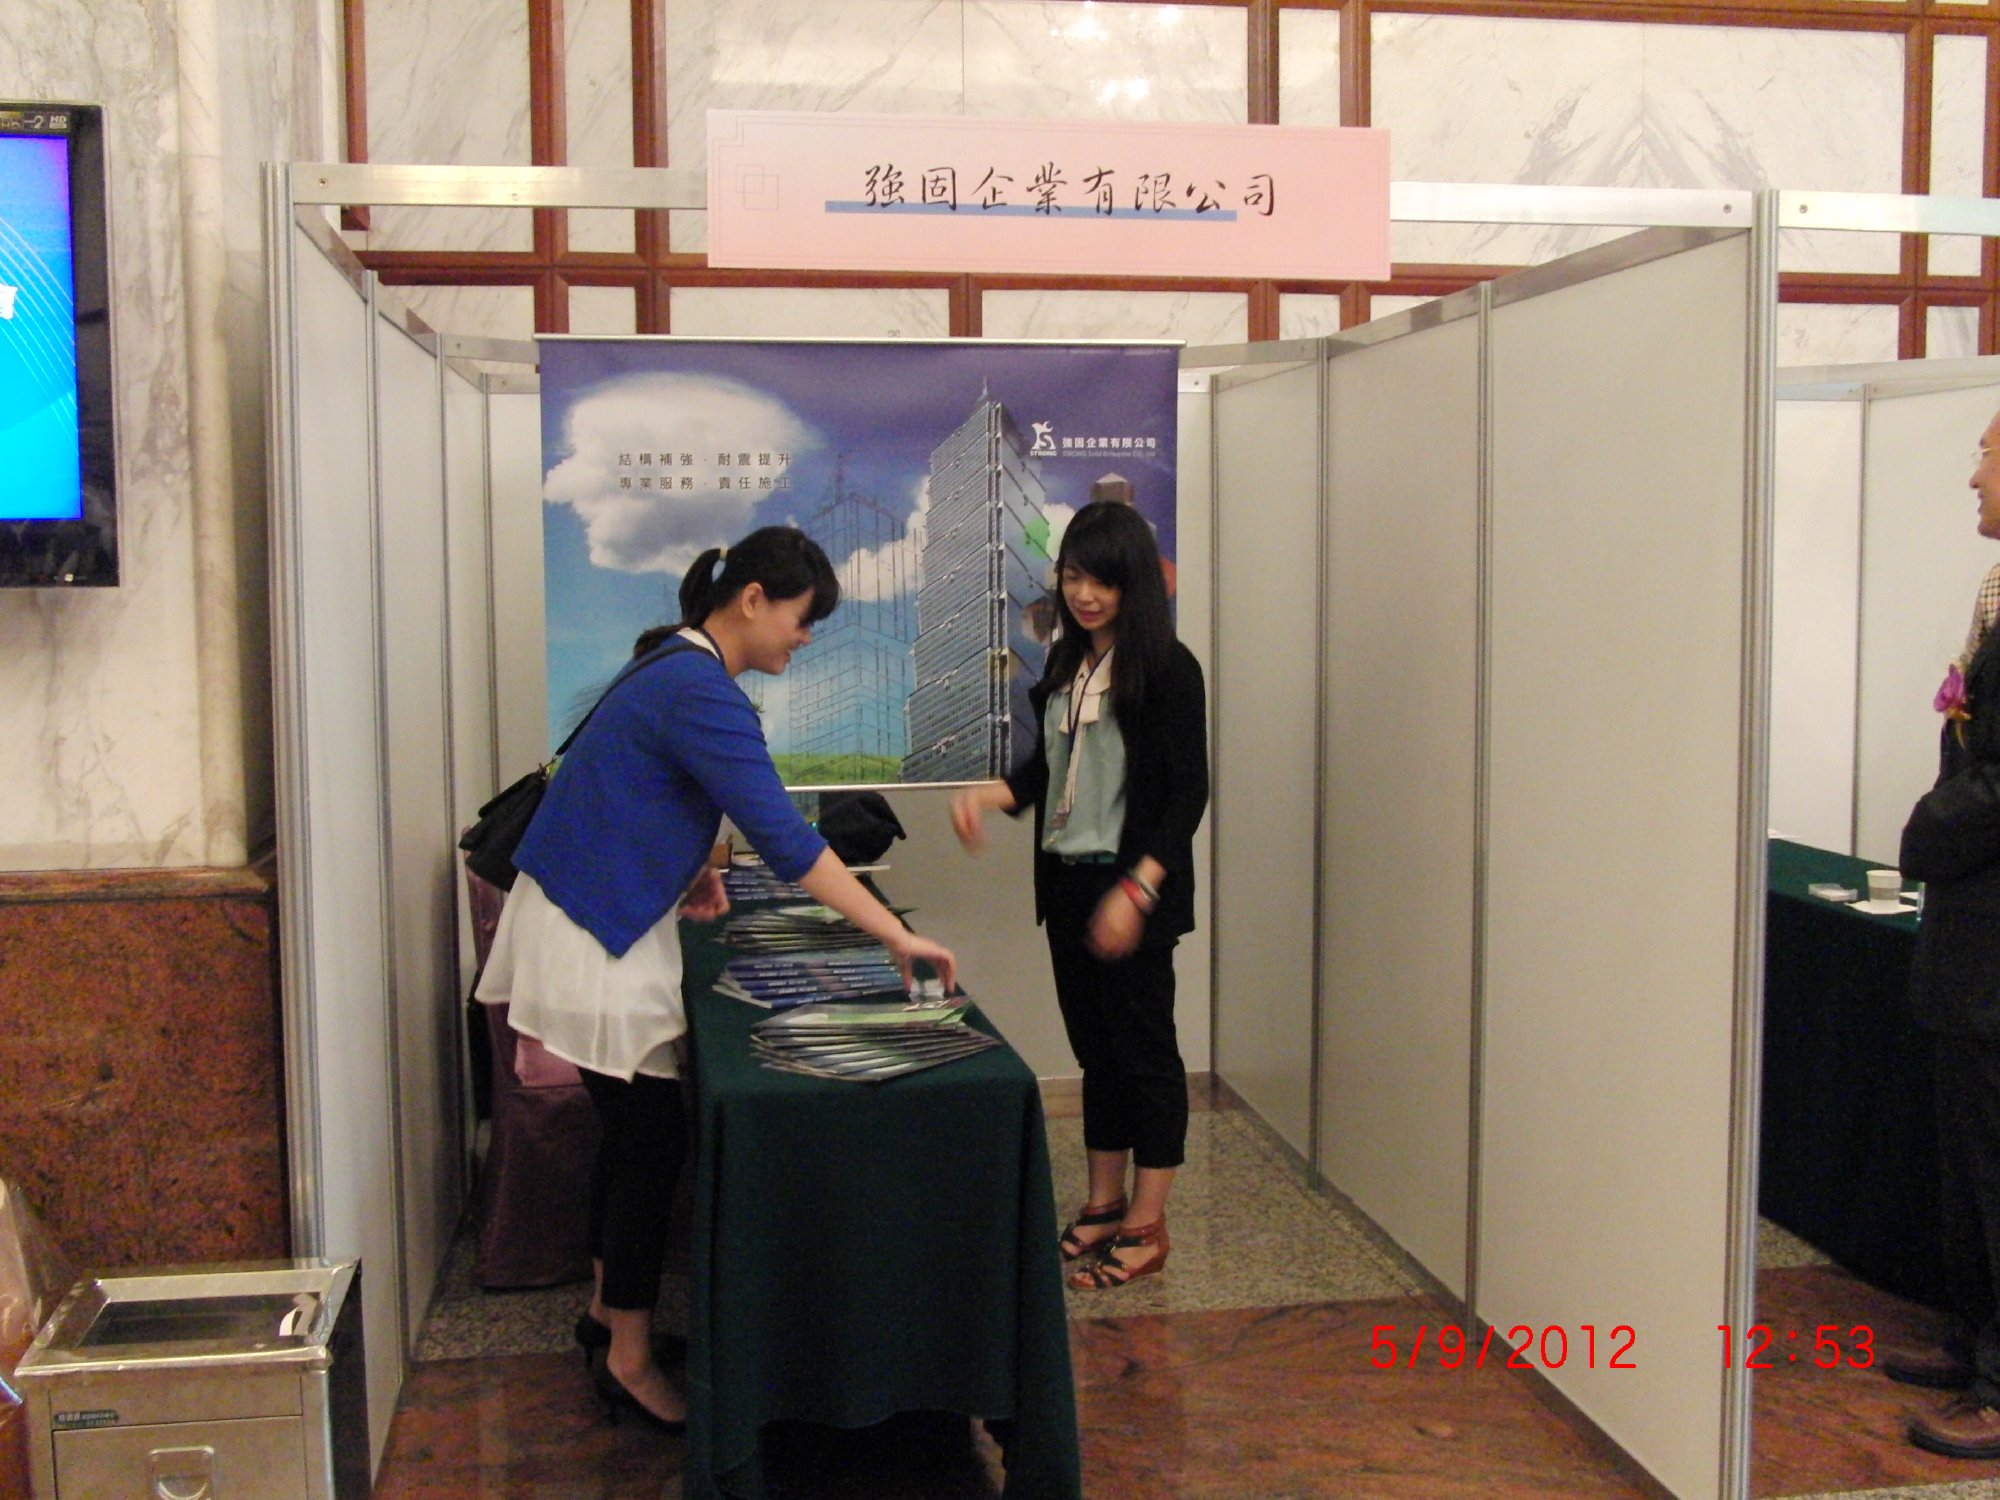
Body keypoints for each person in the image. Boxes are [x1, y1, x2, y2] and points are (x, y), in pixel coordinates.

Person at [477, 525, 958, 1430]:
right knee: (647, 1147)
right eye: (802, 619)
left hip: (581, 914)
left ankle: (605, 1319)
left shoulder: (672, 664)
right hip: (594, 934)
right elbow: (785, 837)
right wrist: (895, 936)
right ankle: (627, 1358)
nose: (803, 638)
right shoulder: (699, 687)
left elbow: (638, 788)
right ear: (752, 600)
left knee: (633, 1140)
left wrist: (692, 866)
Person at [950, 500, 1209, 1290]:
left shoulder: (1168, 667)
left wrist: (1139, 887)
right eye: (1072, 576)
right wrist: (992, 794)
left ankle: (1147, 1224)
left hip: (1131, 887)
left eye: (1103, 580)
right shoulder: (1066, 661)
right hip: (1067, 884)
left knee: (1146, 1055)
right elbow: (1051, 772)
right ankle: (1103, 1202)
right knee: (1096, 1051)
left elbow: (1187, 795)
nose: (1085, 594)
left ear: (1134, 584)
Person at [1891, 409, 2000, 1458]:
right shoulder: (1996, 596)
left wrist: (1927, 830)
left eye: (1987, 454)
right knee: (1969, 1163)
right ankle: (1973, 1343)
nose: (1973, 476)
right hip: (1974, 947)